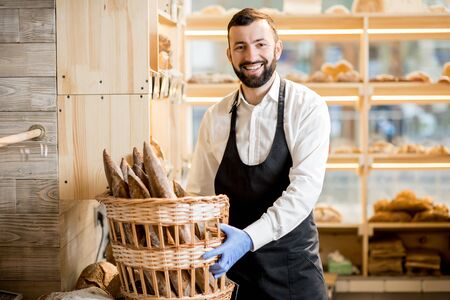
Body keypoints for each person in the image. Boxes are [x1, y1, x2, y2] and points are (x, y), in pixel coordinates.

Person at [186, 8, 330, 300]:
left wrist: (248, 238)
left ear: (277, 49)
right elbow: (199, 195)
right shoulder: (215, 117)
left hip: (294, 274)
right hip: (233, 276)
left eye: (260, 44)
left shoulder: (306, 107)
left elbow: (304, 191)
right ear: (229, 55)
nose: (251, 55)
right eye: (240, 46)